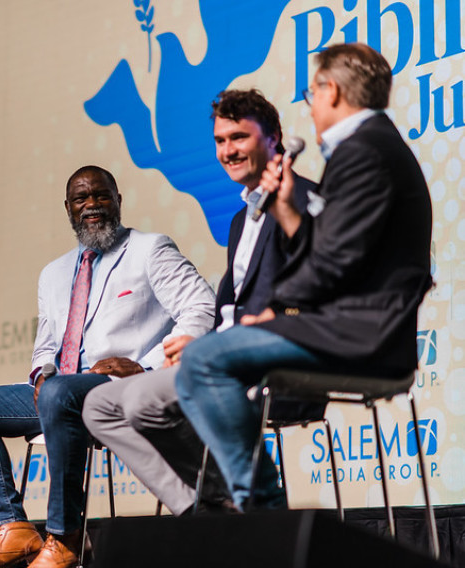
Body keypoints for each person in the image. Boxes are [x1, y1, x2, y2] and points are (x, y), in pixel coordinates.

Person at [173, 43, 432, 511]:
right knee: (203, 361)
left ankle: (261, 507)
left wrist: (273, 312)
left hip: (363, 335)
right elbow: (336, 251)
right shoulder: (368, 146)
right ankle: (251, 504)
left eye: (312, 92)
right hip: (349, 324)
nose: (309, 104)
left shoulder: (364, 151)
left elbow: (334, 266)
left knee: (206, 360)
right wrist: (288, 211)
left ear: (331, 90)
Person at [0, 165, 215, 568]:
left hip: (118, 388)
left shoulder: (150, 249)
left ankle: (64, 537)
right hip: (62, 391)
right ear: (69, 209)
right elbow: (46, 347)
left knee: (59, 393)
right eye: (81, 198)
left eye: (101, 195)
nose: (91, 204)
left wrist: (146, 367)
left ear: (118, 201)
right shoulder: (53, 274)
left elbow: (202, 309)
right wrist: (41, 375)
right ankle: (11, 527)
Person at [82, 89, 316, 516]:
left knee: (138, 402)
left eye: (239, 138)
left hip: (270, 354)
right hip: (221, 354)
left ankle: (250, 506)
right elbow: (228, 308)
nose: (228, 151)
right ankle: (202, 507)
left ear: (273, 138)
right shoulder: (241, 219)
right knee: (99, 406)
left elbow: (310, 295)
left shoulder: (304, 202)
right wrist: (192, 340)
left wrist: (210, 347)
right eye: (220, 141)